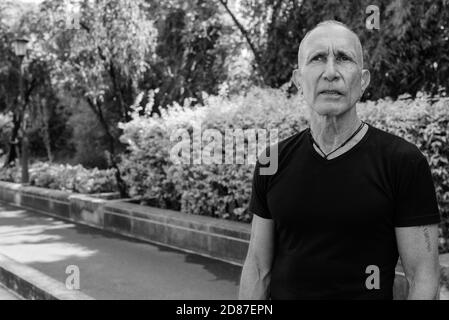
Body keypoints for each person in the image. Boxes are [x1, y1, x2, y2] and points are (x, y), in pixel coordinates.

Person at [238, 20, 441, 300]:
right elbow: (258, 268)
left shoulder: (403, 162)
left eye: (343, 59)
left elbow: (423, 278)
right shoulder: (272, 160)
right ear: (299, 80)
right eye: (318, 58)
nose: (330, 72)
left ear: (363, 80)